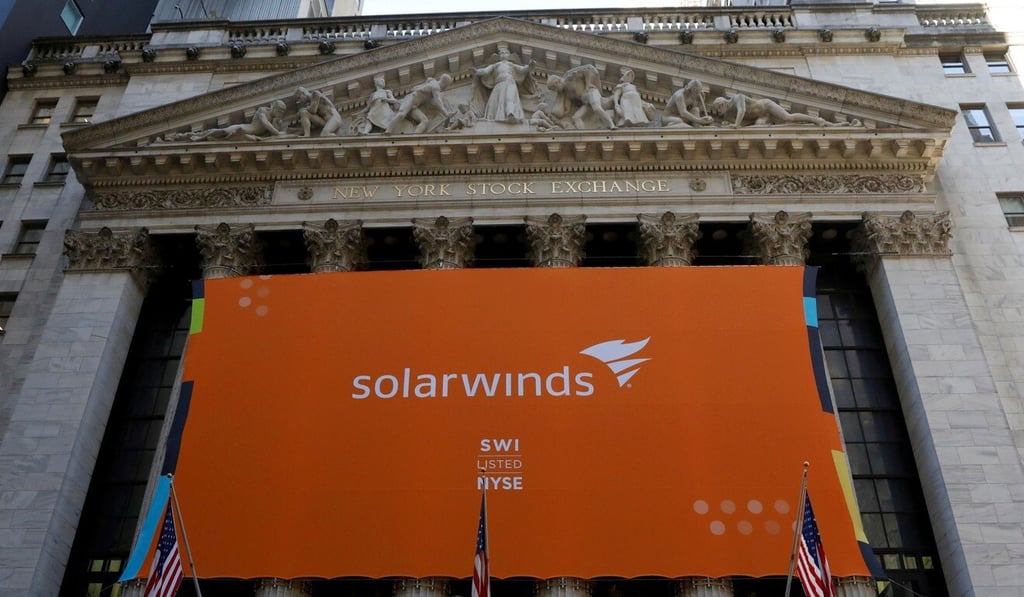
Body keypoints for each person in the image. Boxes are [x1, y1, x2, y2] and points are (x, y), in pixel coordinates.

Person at [471, 47, 537, 123]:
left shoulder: (511, 65)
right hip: (499, 85)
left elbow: (522, 70)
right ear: (499, 56)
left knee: (510, 98)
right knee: (496, 102)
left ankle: (510, 113)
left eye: (505, 52)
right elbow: (485, 71)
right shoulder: (496, 65)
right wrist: (476, 72)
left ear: (509, 55)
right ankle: (495, 116)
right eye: (501, 53)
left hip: (510, 83)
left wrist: (529, 67)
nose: (503, 54)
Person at [546, 64, 616, 130]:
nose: (555, 90)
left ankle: (611, 124)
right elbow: (567, 109)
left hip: (591, 93)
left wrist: (588, 84)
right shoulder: (566, 94)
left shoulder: (570, 77)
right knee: (576, 117)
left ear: (557, 82)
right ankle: (583, 135)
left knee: (597, 108)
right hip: (586, 103)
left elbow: (588, 69)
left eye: (554, 88)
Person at [711, 92, 836, 127]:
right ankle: (798, 126)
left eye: (718, 110)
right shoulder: (729, 114)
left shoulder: (737, 98)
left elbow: (742, 111)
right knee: (758, 128)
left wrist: (735, 125)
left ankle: (815, 120)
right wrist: (729, 124)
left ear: (721, 104)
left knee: (788, 117)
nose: (719, 113)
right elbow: (744, 123)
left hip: (766, 106)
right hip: (762, 117)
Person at [385, 74, 455, 134]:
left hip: (415, 106)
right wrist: (446, 113)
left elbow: (428, 81)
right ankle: (388, 130)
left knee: (425, 121)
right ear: (445, 83)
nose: (445, 88)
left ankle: (414, 138)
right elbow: (438, 101)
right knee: (401, 115)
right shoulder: (435, 87)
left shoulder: (432, 81)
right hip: (410, 100)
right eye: (446, 85)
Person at [190, 100, 291, 141]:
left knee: (224, 137)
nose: (280, 113)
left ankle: (212, 139)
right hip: (244, 129)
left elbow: (273, 136)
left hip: (249, 135)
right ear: (274, 107)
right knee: (223, 131)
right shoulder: (262, 110)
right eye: (279, 110)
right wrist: (277, 132)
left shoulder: (275, 120)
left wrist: (277, 122)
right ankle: (200, 137)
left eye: (282, 112)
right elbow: (265, 123)